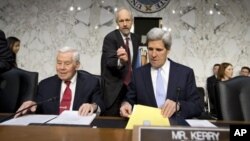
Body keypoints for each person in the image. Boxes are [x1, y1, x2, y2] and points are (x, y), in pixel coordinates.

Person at [120, 27, 203, 119]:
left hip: (175, 129)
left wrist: (178, 106)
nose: (153, 55)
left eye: (159, 50)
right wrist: (125, 105)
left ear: (168, 50)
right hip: (147, 128)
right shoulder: (138, 74)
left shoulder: (185, 73)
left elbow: (197, 106)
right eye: (150, 49)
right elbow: (129, 100)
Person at [15, 46, 105, 117]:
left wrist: (93, 106)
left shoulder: (91, 83)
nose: (61, 68)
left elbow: (100, 105)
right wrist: (32, 105)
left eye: (67, 63)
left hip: (79, 131)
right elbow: (38, 107)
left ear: (77, 65)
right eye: (59, 63)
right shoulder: (45, 84)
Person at [101, 7, 140, 116]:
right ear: (117, 23)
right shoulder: (110, 38)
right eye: (121, 21)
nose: (125, 24)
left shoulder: (136, 38)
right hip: (114, 89)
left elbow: (134, 63)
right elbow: (109, 62)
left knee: (129, 120)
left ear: (131, 21)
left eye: (127, 20)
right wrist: (121, 62)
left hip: (130, 88)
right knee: (112, 125)